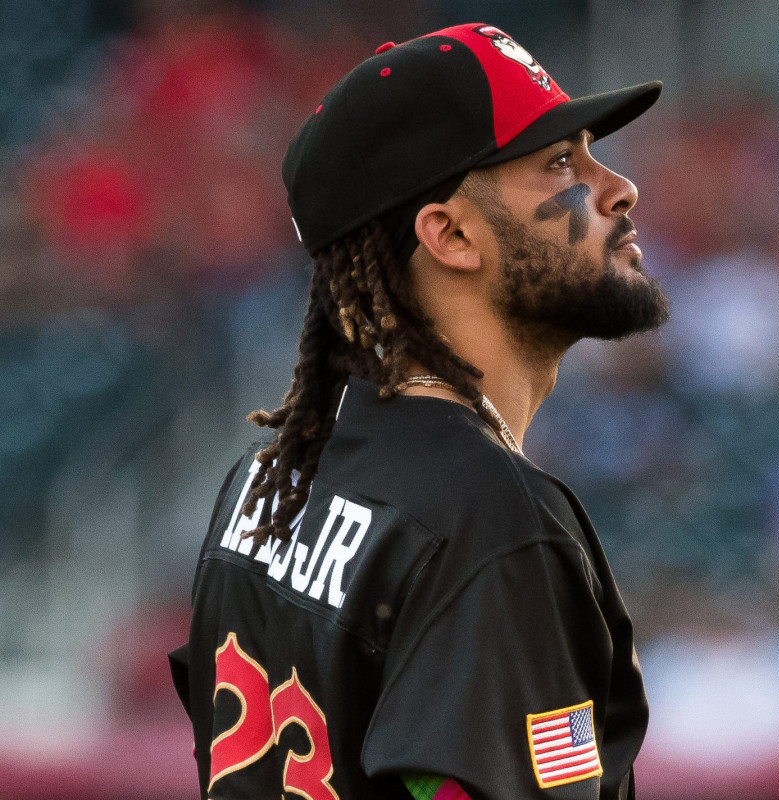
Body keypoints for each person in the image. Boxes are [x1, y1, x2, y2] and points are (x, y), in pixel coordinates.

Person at [168, 23, 667, 800]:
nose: (618, 187)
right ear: (452, 234)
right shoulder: (494, 518)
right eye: (561, 162)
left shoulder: (263, 482)